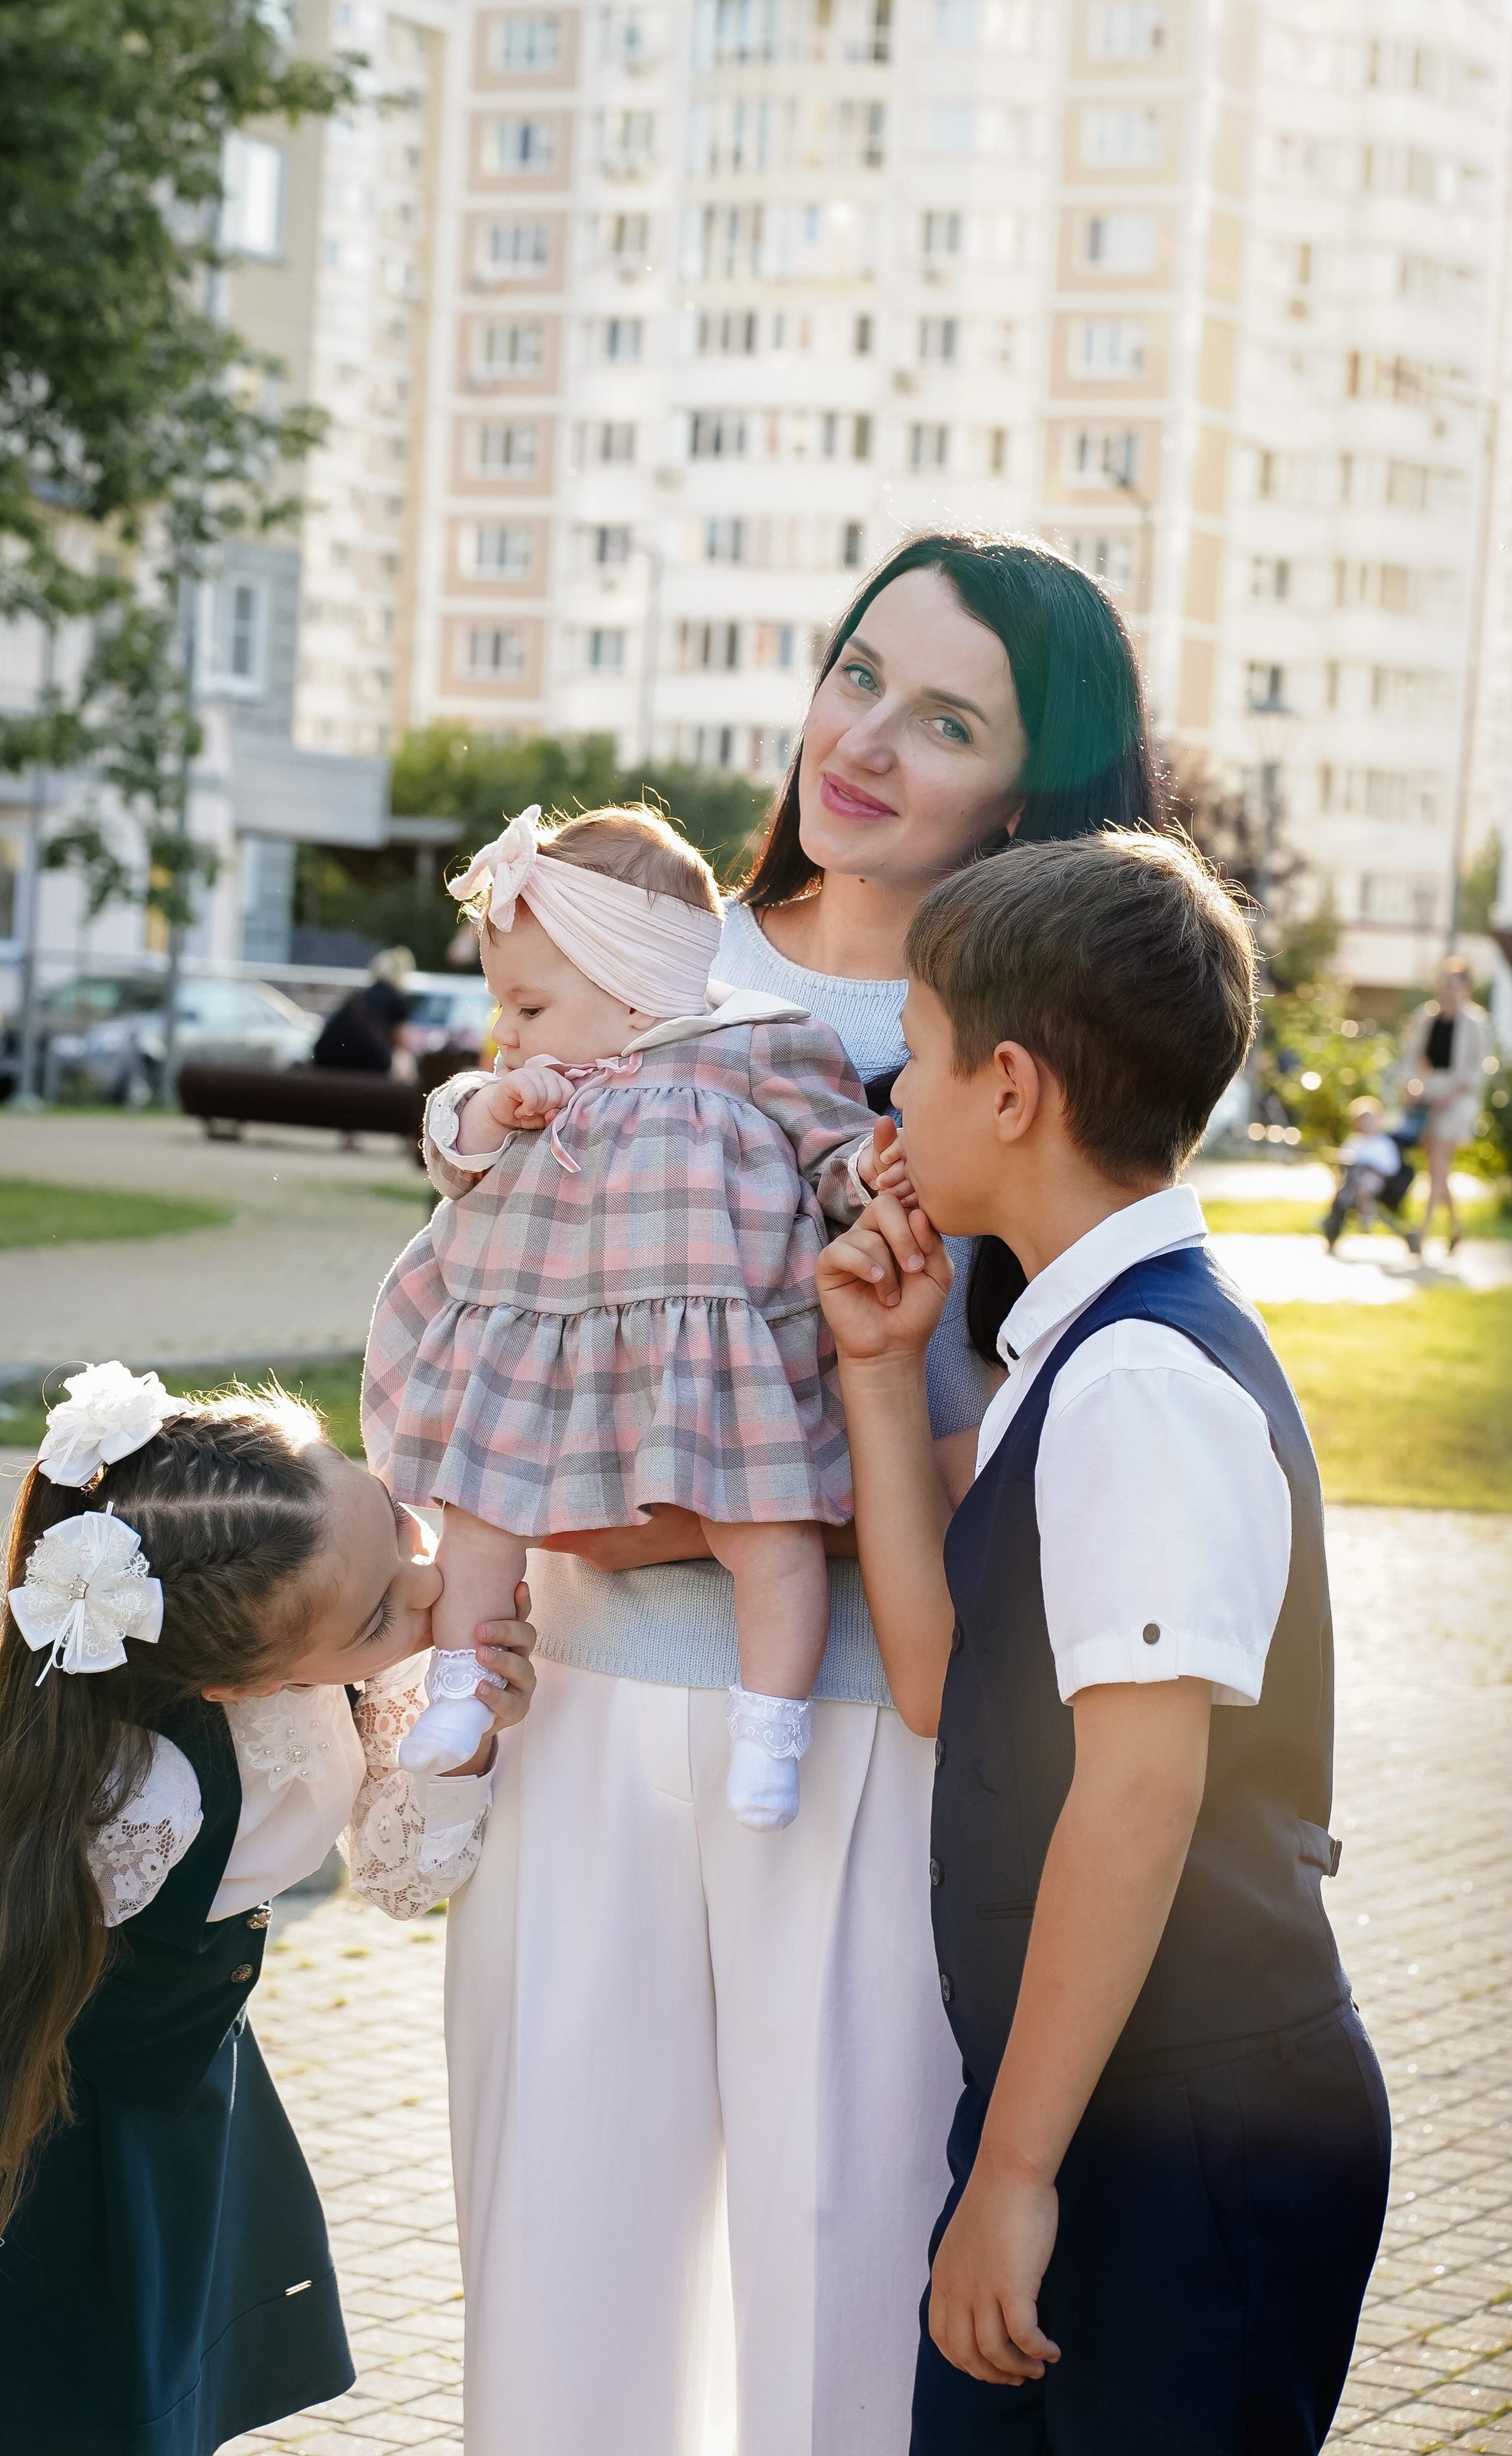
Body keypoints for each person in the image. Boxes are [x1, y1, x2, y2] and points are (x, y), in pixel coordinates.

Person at [403, 530, 1167, 2456]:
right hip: (576, 1722)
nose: (866, 740)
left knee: (837, 2313)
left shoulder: (1036, 1036)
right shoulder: (652, 944)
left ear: (1032, 781)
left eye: (944, 718)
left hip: (865, 1744)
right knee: (558, 2307)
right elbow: (492, 1254)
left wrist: (682, 1488)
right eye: (853, 672)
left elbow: (1044, 1425)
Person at [817, 833, 1390, 2453]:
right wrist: (878, 1374)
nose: (890, 1109)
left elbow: (1131, 1803)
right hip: (1096, 2116)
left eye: (911, 1058)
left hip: (1186, 2125)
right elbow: (943, 1683)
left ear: (1007, 1087)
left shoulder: (1137, 1380)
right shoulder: (1074, 1350)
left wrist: (1010, 2173)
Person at [0, 1360, 535, 2456]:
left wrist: (459, 1741)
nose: (426, 1585)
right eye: (381, 1614)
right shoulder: (142, 1800)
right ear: (239, 1684)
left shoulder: (306, 1609)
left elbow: (393, 1870)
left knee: (170, 2391)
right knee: (39, 2404)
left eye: (400, 1526)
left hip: (186, 2086)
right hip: (51, 2129)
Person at [368, 804, 882, 1830]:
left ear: (636, 991)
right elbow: (451, 1147)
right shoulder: (530, 1086)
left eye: (529, 1005)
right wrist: (493, 1105)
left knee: (766, 1527)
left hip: (711, 1357)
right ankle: (461, 1691)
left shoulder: (753, 1046)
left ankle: (771, 1726)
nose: (507, 1033)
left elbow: (837, 1149)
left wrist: (873, 1173)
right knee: (478, 1516)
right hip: (542, 1352)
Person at [1399, 957, 1493, 1251]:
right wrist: (1412, 1088)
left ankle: (1422, 1232)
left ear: (1466, 987)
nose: (1448, 989)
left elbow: (1481, 1068)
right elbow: (1412, 1058)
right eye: (1445, 982)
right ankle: (1455, 1228)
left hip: (1458, 1099)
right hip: (1429, 1096)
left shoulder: (1476, 1022)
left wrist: (1451, 1095)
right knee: (1436, 1168)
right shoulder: (1426, 1017)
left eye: (1455, 983)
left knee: (1439, 1160)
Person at [1321, 1096, 1415, 1251]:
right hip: (1351, 1181)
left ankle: (1366, 1215)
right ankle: (1335, 1224)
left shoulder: (1384, 1144)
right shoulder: (1354, 1141)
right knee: (1344, 1190)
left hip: (1379, 1182)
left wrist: (1371, 1167)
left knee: (1365, 1186)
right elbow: (1344, 1158)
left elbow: (1391, 1168)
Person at [313, 944, 415, 1074]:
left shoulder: (360, 997)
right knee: (404, 1059)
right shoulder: (395, 1000)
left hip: (326, 1058)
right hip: (367, 1062)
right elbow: (402, 1043)